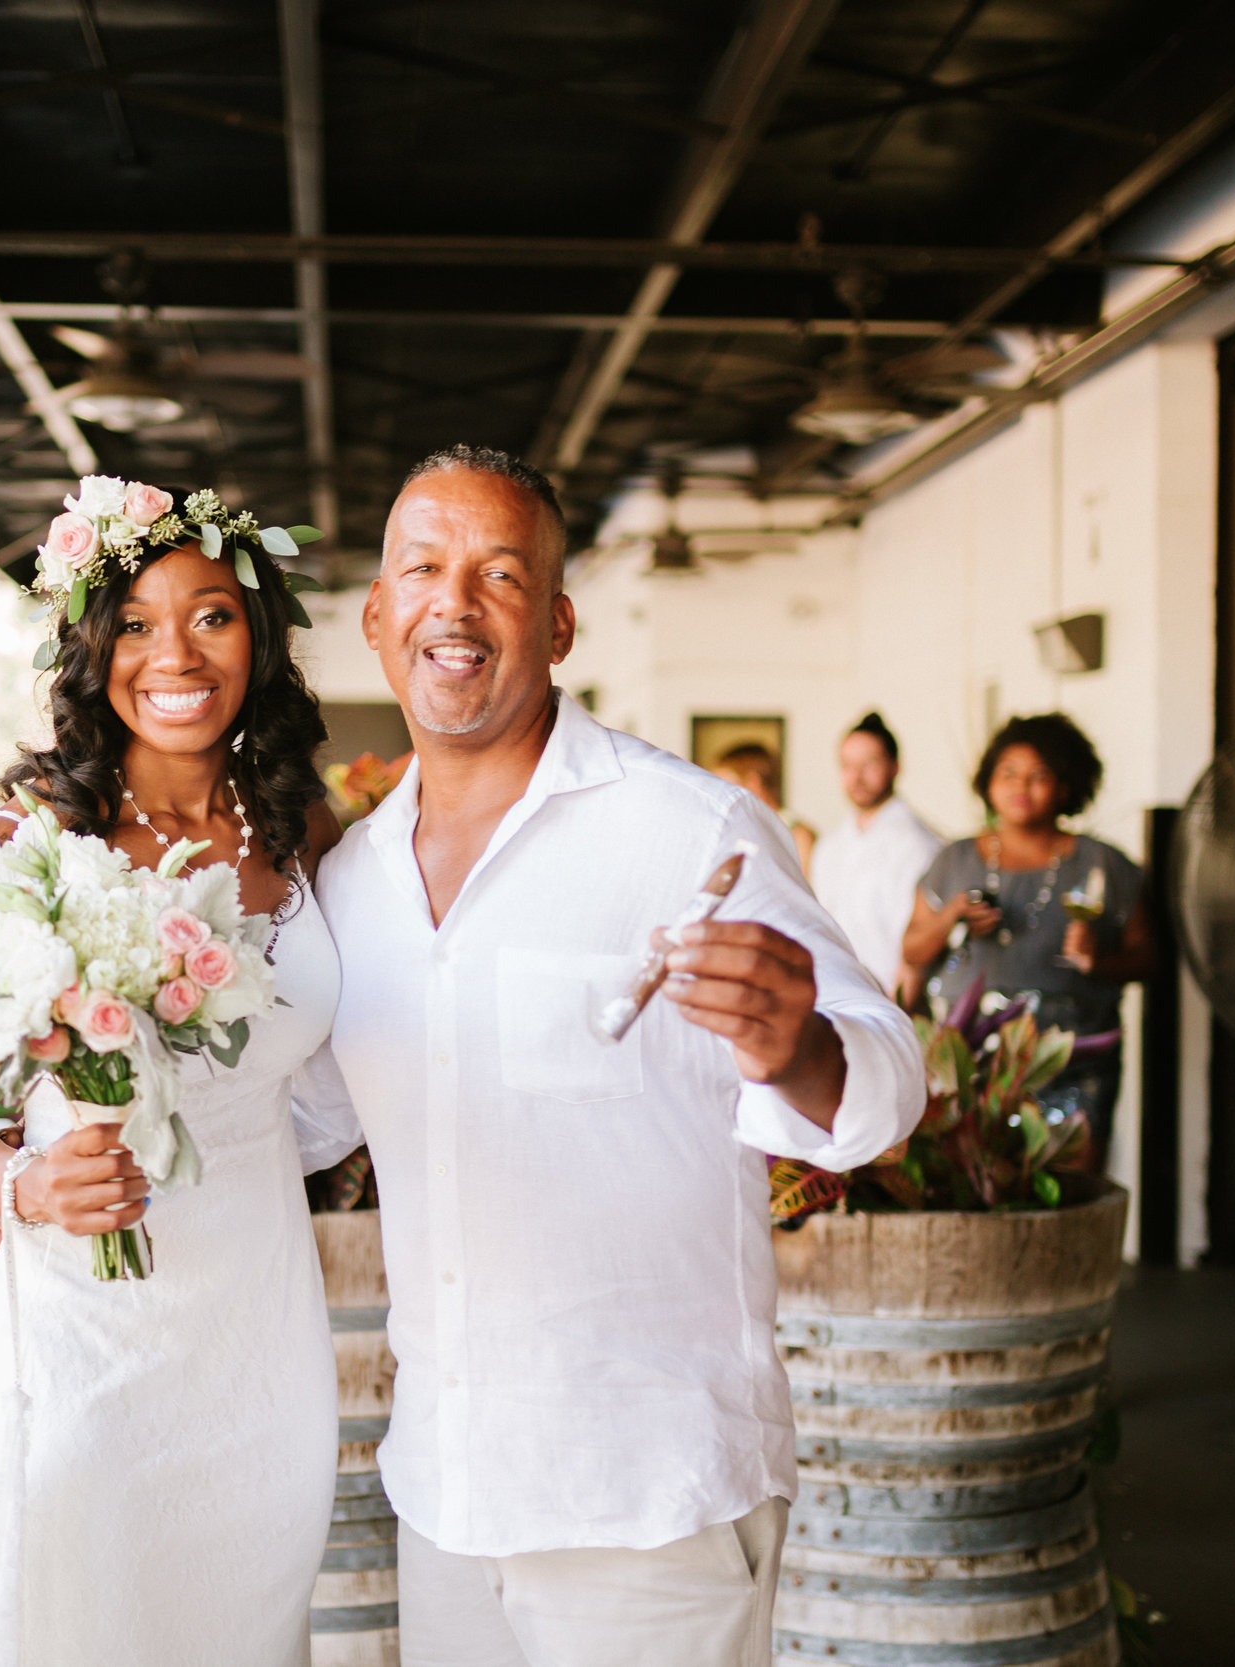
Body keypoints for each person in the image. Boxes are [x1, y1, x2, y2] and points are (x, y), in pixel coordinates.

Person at [294, 445, 924, 1667]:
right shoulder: (350, 885)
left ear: (560, 622)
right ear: (375, 616)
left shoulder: (685, 826)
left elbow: (887, 1082)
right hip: (444, 1492)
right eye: (421, 567)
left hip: (652, 1507)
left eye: (501, 573)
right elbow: (303, 1119)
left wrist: (793, 1047)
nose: (454, 601)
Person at [0, 481, 342, 1666]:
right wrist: (26, 1185)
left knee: (247, 1616)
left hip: (261, 1321)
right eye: (134, 622)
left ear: (259, 637)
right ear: (92, 649)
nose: (173, 653)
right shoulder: (14, 848)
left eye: (210, 616)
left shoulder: (306, 835)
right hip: (90, 1317)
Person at [898, 712, 1154, 1161]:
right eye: (1008, 773)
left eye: (1039, 776)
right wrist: (951, 918)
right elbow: (912, 950)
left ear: (1067, 786)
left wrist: (1100, 961)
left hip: (1075, 1061)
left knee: (1073, 1196)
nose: (1021, 787)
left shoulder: (1103, 864)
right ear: (988, 783)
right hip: (971, 1063)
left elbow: (1149, 957)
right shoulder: (953, 861)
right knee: (974, 1193)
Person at [809, 713, 943, 997]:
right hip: (831, 995)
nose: (856, 776)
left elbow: (919, 942)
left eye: (869, 763)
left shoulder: (919, 844)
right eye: (847, 765)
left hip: (888, 1002)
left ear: (895, 767)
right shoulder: (830, 845)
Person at [711, 741, 816, 870]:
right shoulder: (732, 833)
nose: (721, 796)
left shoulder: (798, 836)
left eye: (727, 786)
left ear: (753, 781)